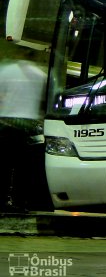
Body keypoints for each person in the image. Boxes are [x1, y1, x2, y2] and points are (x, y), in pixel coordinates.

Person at [0, 55, 48, 211]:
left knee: (5, 166)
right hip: (29, 126)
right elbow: (43, 102)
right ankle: (20, 201)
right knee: (24, 167)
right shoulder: (40, 74)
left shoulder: (6, 70)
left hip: (7, 124)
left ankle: (3, 200)